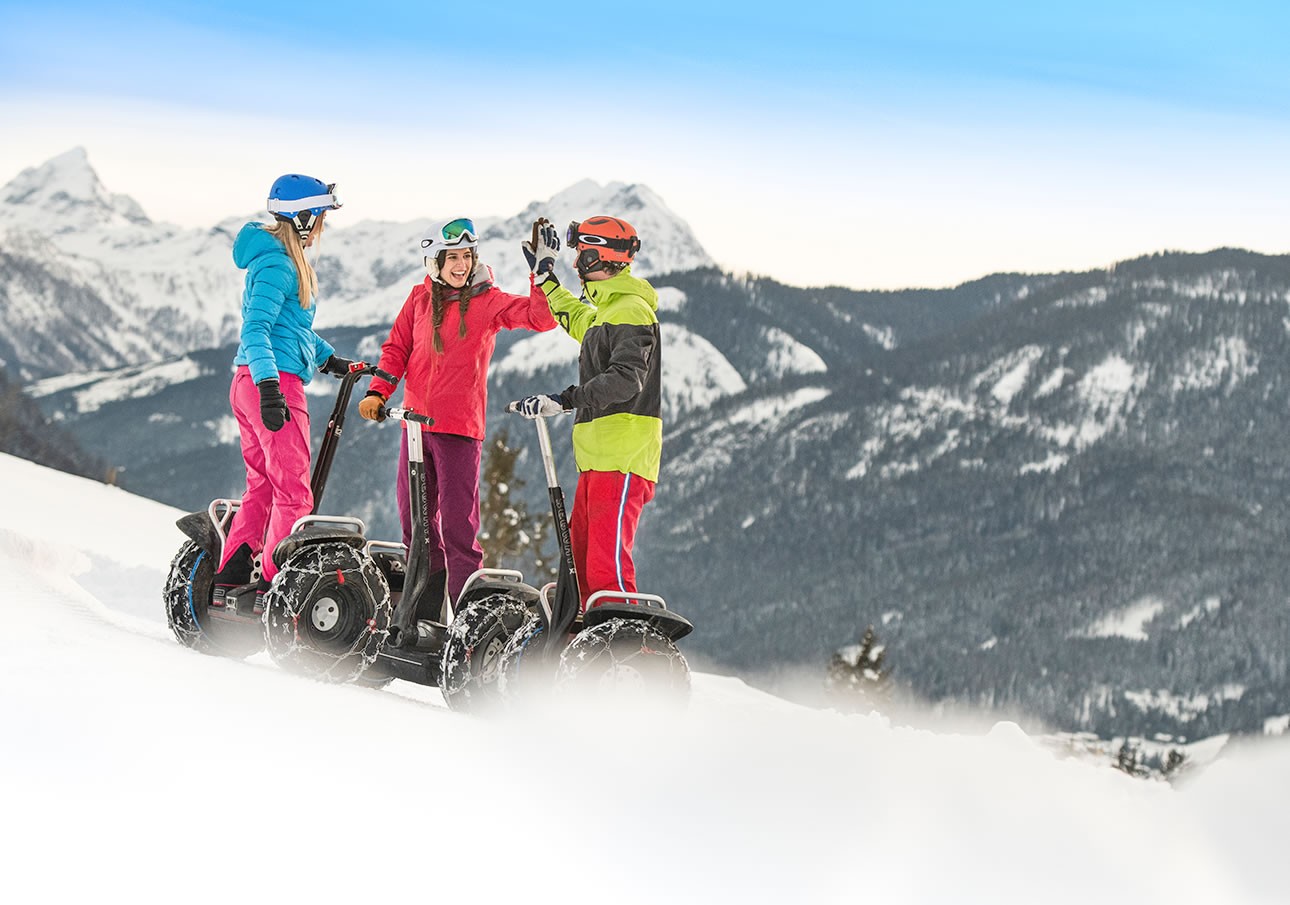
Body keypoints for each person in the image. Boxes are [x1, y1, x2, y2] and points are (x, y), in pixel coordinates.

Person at [358, 217, 558, 615]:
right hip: (414, 429)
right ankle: (423, 617)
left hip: (459, 432)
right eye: (453, 257)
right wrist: (378, 391)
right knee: (415, 526)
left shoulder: (489, 301)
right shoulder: (419, 298)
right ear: (436, 260)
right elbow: (396, 348)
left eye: (467, 256)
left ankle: (470, 622)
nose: (462, 264)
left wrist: (542, 276)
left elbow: (541, 318)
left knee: (458, 530)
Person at [211, 174, 354, 605]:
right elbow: (256, 329)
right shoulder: (279, 265)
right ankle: (277, 586)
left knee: (263, 485)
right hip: (271, 384)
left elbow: (290, 328)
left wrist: (327, 357)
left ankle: (232, 571)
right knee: (294, 491)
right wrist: (271, 386)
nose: (324, 228)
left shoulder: (277, 259)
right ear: (305, 218)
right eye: (322, 217)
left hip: (248, 382)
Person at [510, 215, 661, 610]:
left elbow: (627, 379)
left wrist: (565, 399)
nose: (575, 262)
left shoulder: (630, 309)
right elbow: (574, 317)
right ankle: (585, 653)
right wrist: (546, 281)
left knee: (605, 568)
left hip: (623, 454)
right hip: (597, 455)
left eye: (580, 253)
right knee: (579, 565)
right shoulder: (604, 311)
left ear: (598, 256)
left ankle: (628, 655)